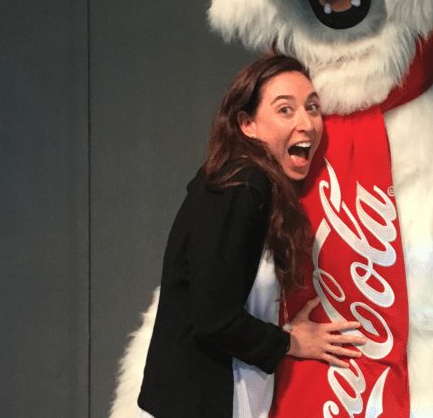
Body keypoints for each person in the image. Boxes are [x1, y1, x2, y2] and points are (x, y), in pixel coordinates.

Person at [137, 54, 367, 418]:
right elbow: (213, 317)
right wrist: (291, 342)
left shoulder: (251, 185)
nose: (306, 122)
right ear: (247, 124)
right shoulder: (241, 184)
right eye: (285, 110)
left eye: (312, 107)